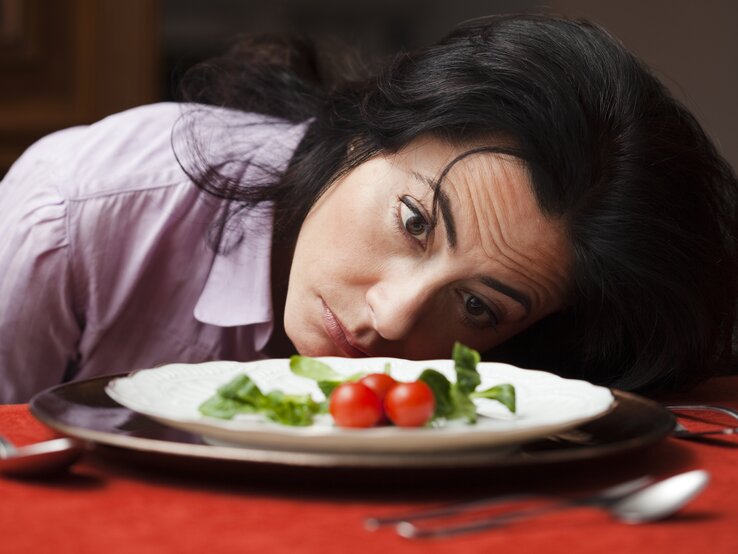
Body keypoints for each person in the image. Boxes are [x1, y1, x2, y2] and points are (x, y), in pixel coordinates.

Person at [0, 13, 736, 403]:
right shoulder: (78, 213)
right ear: (363, 130)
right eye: (415, 222)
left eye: (478, 306)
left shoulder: (513, 375)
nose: (391, 319)